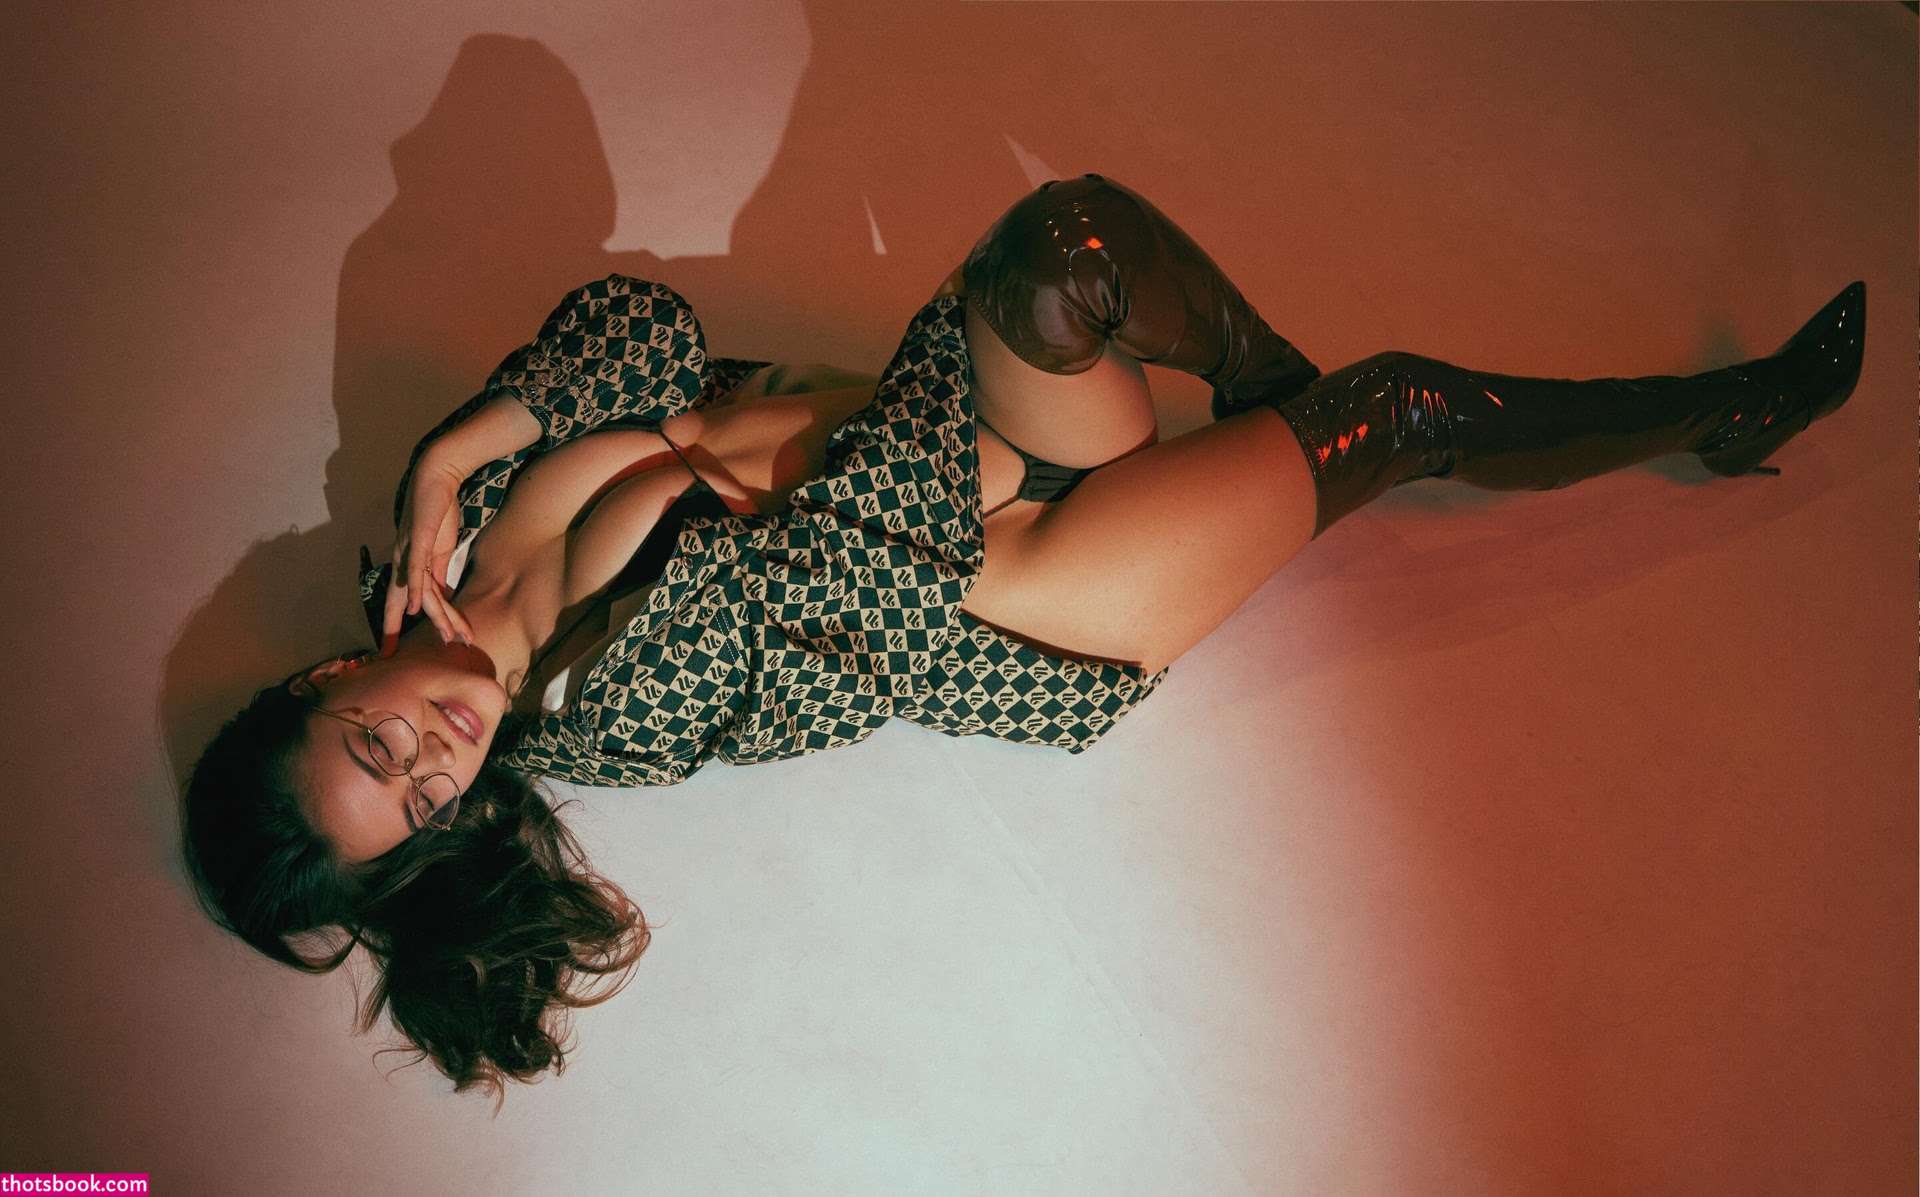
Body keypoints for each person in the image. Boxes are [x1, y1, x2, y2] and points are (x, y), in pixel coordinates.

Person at [180, 173, 1865, 1107]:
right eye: (419, 805)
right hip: (1035, 589)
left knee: (1067, 246)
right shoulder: (601, 711)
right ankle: (1733, 413)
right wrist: (931, 386)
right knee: (1402, 409)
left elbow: (649, 326)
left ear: (331, 678)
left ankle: (1262, 413)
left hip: (970, 450)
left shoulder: (456, 521)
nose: (438, 755)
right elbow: (879, 590)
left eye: (375, 745)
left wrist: (463, 440)